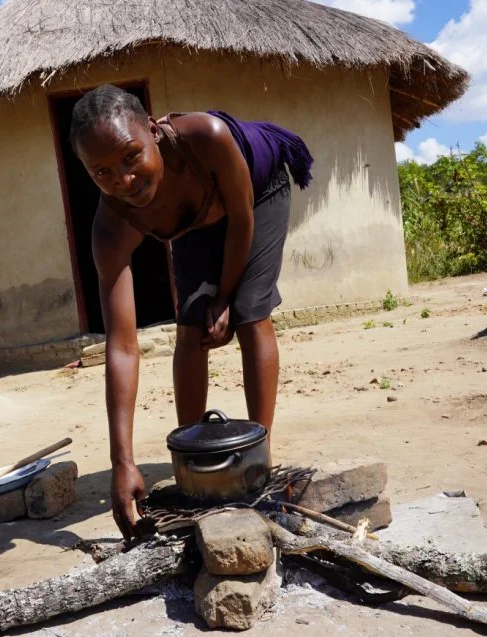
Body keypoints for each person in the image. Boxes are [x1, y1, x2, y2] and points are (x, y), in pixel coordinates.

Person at [70, 85, 313, 540]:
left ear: (152, 130)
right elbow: (122, 346)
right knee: (191, 328)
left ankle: (257, 456)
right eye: (102, 172)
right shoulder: (111, 227)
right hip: (194, 219)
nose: (123, 180)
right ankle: (191, 455)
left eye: (130, 156)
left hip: (256, 195)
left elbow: (241, 220)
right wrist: (122, 461)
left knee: (249, 313)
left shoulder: (208, 137)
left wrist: (225, 296)